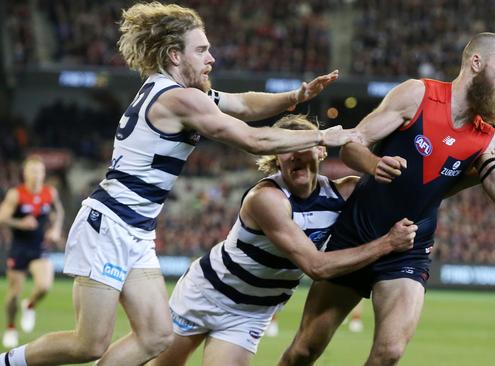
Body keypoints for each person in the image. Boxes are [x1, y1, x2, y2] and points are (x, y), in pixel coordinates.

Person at [0, 3, 361, 365]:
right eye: (202, 50)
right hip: (109, 225)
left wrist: (294, 98)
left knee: (156, 337)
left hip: (134, 229)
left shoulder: (172, 90)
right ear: (175, 55)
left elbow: (243, 103)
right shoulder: (179, 99)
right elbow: (255, 140)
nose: (212, 58)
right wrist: (321, 138)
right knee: (88, 344)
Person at [279, 32, 495, 366]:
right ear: (476, 62)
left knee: (389, 353)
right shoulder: (417, 95)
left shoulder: (488, 140)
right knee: (305, 350)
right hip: (357, 234)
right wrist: (374, 163)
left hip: (408, 250)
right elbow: (352, 145)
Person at [149, 114, 417, 366]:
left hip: (250, 313)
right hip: (206, 294)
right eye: (288, 147)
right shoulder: (266, 199)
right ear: (277, 156)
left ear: (322, 150)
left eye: (307, 145)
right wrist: (387, 244)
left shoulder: (344, 193)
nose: (297, 155)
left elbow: (402, 191)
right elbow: (316, 267)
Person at [0, 156, 64, 348]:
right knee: (13, 295)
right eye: (32, 171)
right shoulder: (16, 194)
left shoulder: (49, 192)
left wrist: (55, 229)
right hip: (19, 248)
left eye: (39, 171)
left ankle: (29, 305)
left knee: (44, 286)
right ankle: (11, 327)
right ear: (25, 173)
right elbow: (2, 218)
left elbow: (58, 211)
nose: (36, 175)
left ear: (44, 173)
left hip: (39, 247)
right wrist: (20, 222)